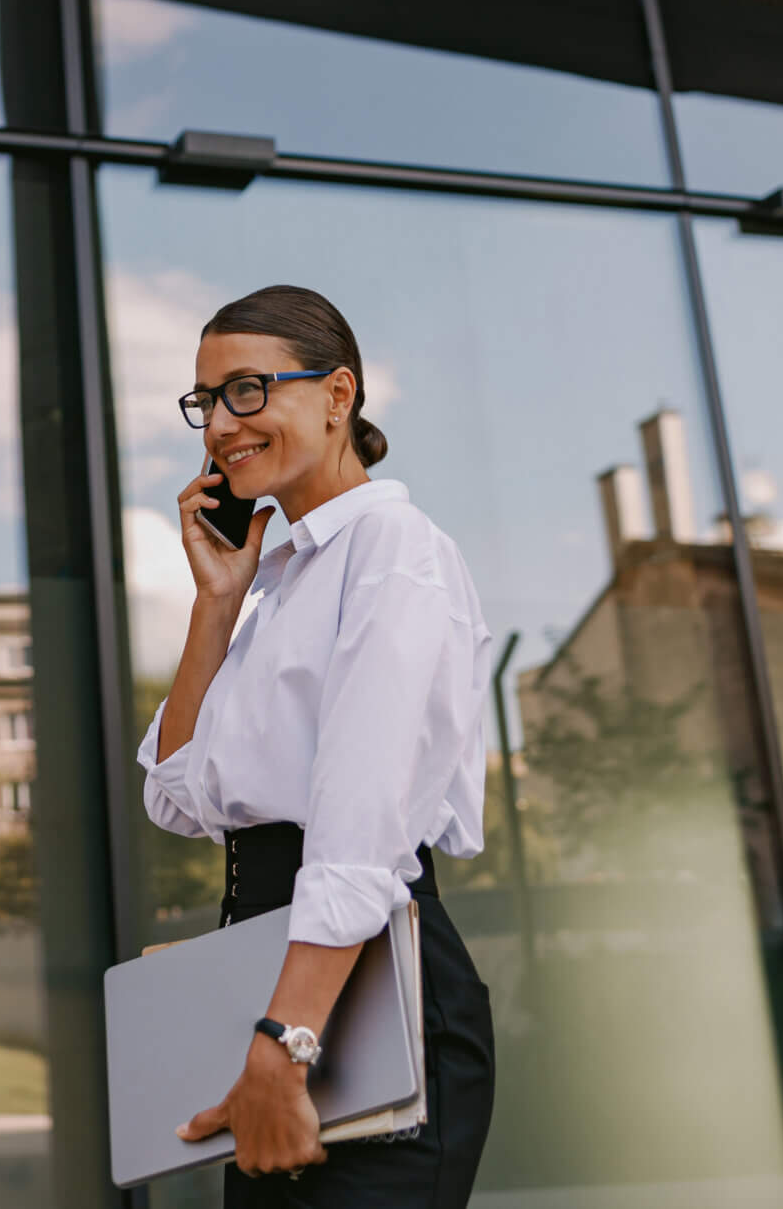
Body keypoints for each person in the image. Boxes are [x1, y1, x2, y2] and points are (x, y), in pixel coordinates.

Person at [141, 285, 497, 1208]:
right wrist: (216, 602)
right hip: (283, 1002)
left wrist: (284, 1041)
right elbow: (175, 797)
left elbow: (359, 830)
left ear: (339, 395)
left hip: (359, 1003)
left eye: (247, 391)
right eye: (207, 401)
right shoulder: (276, 585)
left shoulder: (394, 549)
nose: (220, 424)